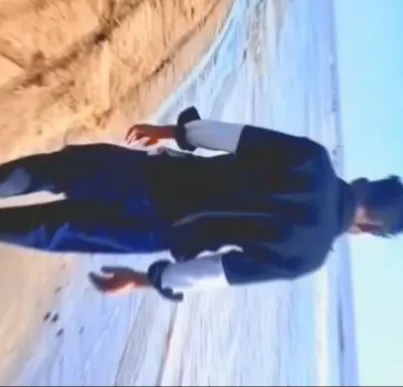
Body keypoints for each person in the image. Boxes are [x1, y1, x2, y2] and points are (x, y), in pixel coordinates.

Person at [0, 107, 402, 302]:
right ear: (368, 229)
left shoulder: (314, 161)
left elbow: (234, 137)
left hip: (156, 177)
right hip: (158, 231)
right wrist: (145, 280)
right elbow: (214, 272)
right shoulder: (308, 256)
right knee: (51, 228)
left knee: (55, 171)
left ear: (367, 182)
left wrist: (171, 132)